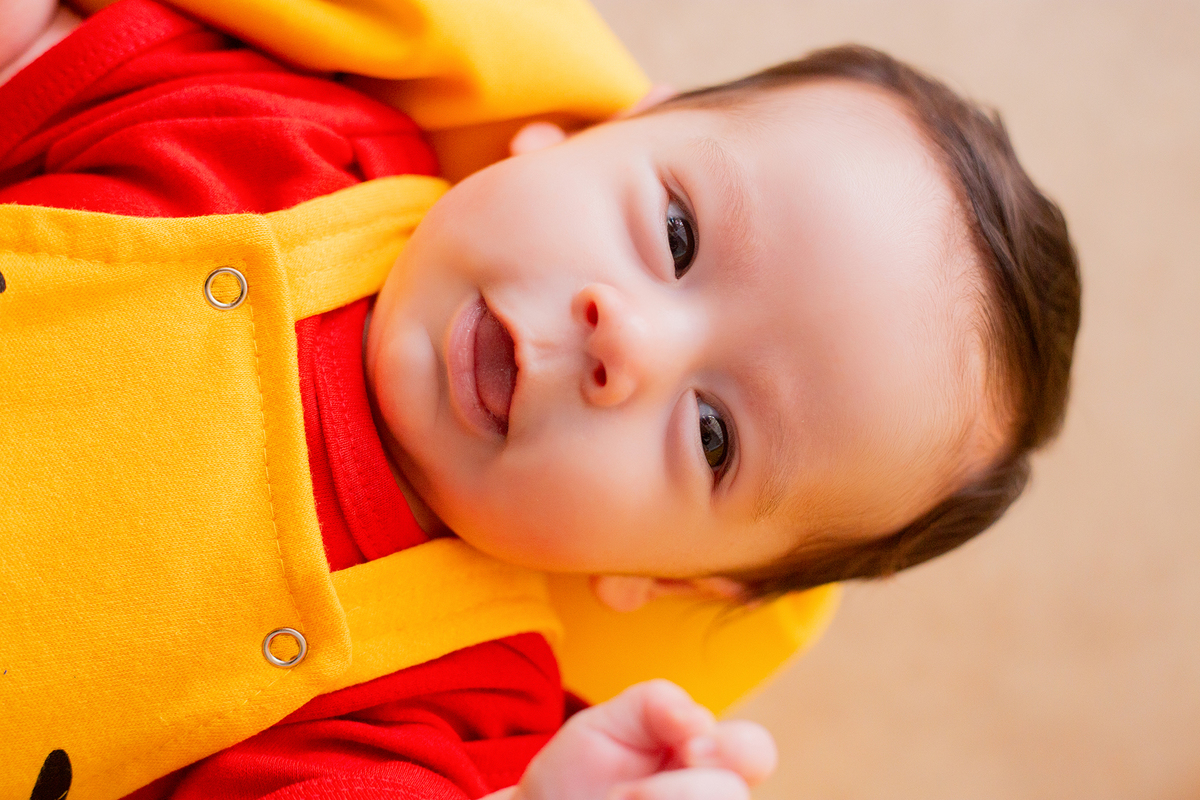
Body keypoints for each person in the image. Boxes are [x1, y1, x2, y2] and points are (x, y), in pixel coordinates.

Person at [0, 0, 1081, 798]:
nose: (630, 344)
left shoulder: (453, 703)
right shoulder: (267, 129)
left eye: (714, 435)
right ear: (587, 132)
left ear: (664, 575)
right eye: (677, 235)